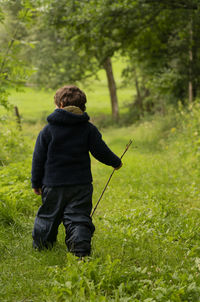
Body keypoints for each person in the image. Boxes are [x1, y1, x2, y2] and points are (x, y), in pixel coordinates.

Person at [31, 85, 122, 257]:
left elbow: (38, 159)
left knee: (48, 216)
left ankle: (42, 247)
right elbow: (101, 150)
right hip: (80, 185)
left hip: (53, 185)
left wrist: (36, 183)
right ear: (82, 107)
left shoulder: (48, 130)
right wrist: (115, 162)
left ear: (60, 104)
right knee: (78, 217)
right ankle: (80, 249)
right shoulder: (87, 129)